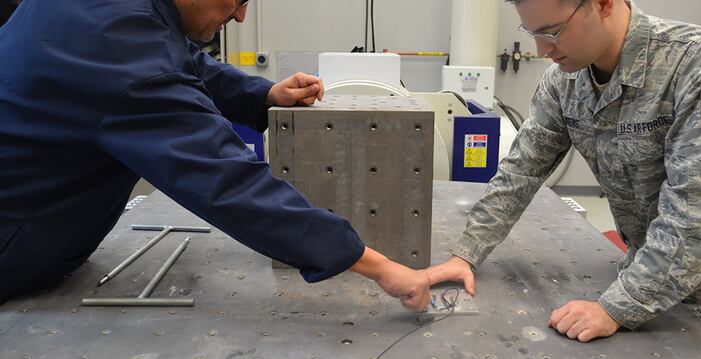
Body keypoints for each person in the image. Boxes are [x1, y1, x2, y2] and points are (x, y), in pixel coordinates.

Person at [426, 0, 701, 359]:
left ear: (602, 4)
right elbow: (521, 171)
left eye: (551, 31)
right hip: (644, 271)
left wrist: (614, 307)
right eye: (531, 34)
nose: (540, 50)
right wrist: (466, 252)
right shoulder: (564, 82)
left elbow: (698, 216)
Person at [0, 0, 430, 312]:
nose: (241, 15)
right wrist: (379, 266)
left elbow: (182, 61)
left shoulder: (113, 14)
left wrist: (263, 95)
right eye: (238, 0)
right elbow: (226, 182)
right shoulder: (114, 44)